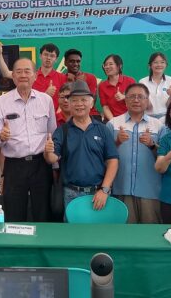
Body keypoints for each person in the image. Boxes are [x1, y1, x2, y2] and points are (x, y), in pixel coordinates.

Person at [0, 58, 57, 222]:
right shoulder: (1, 102)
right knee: (14, 212)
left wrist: (54, 165)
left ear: (35, 76)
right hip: (14, 166)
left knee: (43, 212)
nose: (23, 75)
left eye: (27, 71)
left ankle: (42, 239)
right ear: (13, 76)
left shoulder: (46, 100)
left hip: (41, 164)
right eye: (18, 72)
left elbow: (52, 133)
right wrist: (1, 137)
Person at [44, 80, 118, 210]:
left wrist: (105, 189)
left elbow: (112, 161)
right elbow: (52, 158)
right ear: (69, 104)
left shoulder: (102, 129)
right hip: (71, 193)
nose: (79, 104)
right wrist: (47, 151)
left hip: (98, 193)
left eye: (83, 100)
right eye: (74, 100)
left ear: (91, 103)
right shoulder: (62, 131)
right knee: (72, 224)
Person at [108, 83, 163, 223]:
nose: (136, 100)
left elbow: (165, 158)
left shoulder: (158, 125)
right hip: (121, 188)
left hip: (150, 190)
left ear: (147, 100)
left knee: (150, 232)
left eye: (140, 97)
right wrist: (117, 142)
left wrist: (152, 145)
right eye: (132, 96)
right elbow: (104, 156)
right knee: (125, 232)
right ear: (125, 100)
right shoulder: (113, 123)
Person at [0, 43, 66, 108]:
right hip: (31, 115)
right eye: (46, 54)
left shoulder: (62, 78)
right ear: (40, 56)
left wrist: (58, 115)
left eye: (52, 56)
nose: (48, 58)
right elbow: (6, 73)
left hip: (54, 118)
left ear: (56, 59)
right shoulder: (30, 75)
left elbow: (66, 100)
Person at [63, 49, 100, 116]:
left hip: (91, 115)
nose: (75, 64)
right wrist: (71, 83)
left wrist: (79, 82)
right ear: (65, 63)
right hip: (68, 116)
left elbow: (92, 102)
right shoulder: (61, 78)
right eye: (72, 61)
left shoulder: (90, 77)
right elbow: (63, 102)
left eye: (78, 61)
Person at [140, 52, 171, 119]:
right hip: (148, 117)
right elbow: (148, 107)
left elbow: (170, 106)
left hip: (167, 116)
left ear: (166, 65)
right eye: (155, 62)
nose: (159, 65)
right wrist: (145, 98)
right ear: (150, 65)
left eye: (162, 62)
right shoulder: (143, 82)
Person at [99, 54, 136, 121]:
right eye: (105, 65)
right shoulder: (102, 86)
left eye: (110, 64)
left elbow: (137, 99)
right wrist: (114, 122)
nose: (107, 67)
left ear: (119, 66)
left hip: (130, 119)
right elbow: (105, 107)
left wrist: (124, 97)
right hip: (112, 120)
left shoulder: (130, 81)